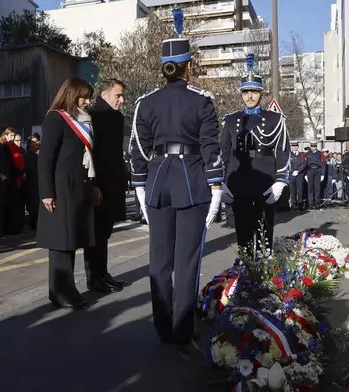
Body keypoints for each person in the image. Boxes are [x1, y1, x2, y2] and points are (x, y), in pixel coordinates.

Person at [129, 8, 224, 347]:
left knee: (159, 261)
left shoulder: (145, 102)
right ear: (188, 65)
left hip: (157, 181)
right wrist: (216, 186)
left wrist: (140, 185)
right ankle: (183, 328)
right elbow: (211, 147)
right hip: (192, 180)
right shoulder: (202, 101)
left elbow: (138, 148)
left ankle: (162, 326)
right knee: (186, 262)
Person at [38, 76, 98, 310]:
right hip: (61, 187)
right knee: (60, 242)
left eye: (88, 98)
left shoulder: (82, 121)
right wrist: (46, 193)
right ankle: (60, 292)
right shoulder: (56, 118)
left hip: (78, 185)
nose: (86, 102)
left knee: (71, 240)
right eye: (83, 97)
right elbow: (46, 158)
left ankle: (67, 288)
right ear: (71, 95)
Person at [220, 53, 291, 251]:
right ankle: (245, 274)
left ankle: (264, 275)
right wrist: (221, 182)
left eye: (254, 92)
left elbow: (282, 150)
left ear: (261, 93)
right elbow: (223, 153)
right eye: (245, 92)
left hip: (265, 181)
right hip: (239, 181)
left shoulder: (275, 119)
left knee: (265, 233)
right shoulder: (231, 119)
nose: (249, 96)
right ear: (241, 94)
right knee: (242, 235)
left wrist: (280, 180)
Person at [84, 79, 129, 293]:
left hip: (113, 182)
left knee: (106, 232)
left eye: (122, 96)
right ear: (104, 95)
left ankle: (102, 272)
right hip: (99, 182)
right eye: (117, 95)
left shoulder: (116, 117)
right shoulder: (93, 116)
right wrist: (93, 184)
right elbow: (91, 154)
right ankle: (94, 277)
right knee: (96, 232)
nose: (121, 100)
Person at [300, 141, 325, 209]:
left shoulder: (320, 154)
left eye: (314, 146)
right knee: (310, 188)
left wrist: (322, 174)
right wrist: (305, 174)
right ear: (310, 146)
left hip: (317, 171)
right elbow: (304, 164)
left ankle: (317, 204)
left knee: (317, 188)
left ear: (316, 146)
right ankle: (310, 204)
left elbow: (323, 163)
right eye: (312, 146)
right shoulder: (307, 154)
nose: (313, 147)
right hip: (309, 171)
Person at [289, 141, 305, 210]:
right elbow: (287, 165)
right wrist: (292, 171)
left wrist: (298, 171)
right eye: (293, 146)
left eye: (295, 146)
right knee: (293, 191)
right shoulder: (289, 155)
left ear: (298, 147)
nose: (294, 147)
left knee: (300, 190)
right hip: (292, 175)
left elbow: (304, 164)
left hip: (299, 174)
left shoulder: (301, 155)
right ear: (291, 147)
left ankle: (300, 204)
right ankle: (294, 204)